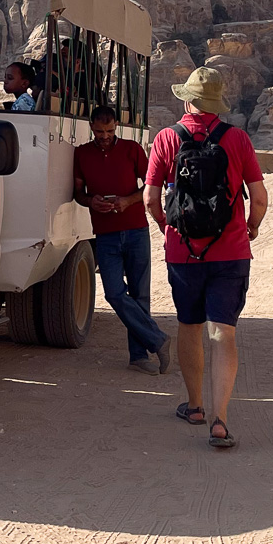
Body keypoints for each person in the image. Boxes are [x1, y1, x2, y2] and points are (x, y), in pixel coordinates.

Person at [143, 68, 268, 449]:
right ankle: (220, 420)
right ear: (217, 103)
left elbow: (149, 198)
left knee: (190, 326)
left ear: (187, 100)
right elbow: (259, 197)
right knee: (222, 332)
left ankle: (194, 406)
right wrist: (252, 226)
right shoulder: (237, 139)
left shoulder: (167, 138)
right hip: (230, 250)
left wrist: (168, 225)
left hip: (183, 251)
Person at [73, 107, 170, 375]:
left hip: (136, 230)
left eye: (109, 131)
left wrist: (127, 201)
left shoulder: (132, 149)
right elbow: (78, 193)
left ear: (116, 126)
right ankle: (158, 339)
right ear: (90, 127)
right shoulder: (81, 154)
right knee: (114, 293)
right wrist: (90, 201)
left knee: (140, 295)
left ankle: (138, 357)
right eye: (99, 131)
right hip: (104, 234)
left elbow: (151, 185)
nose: (104, 136)